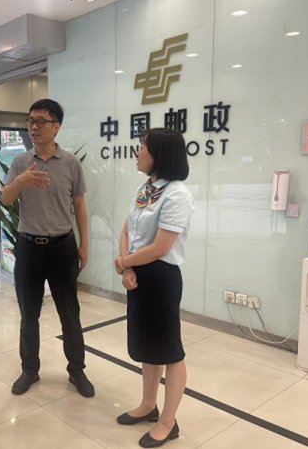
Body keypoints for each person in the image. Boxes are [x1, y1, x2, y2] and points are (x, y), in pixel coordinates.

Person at [1, 98, 94, 398]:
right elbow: (5, 198)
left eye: (41, 121)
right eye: (30, 121)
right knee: (28, 315)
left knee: (70, 313)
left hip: (62, 247)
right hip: (28, 248)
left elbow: (79, 204)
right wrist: (21, 181)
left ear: (56, 127)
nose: (34, 126)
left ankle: (76, 370)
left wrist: (84, 244)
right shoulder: (20, 162)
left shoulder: (70, 163)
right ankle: (30, 369)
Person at [114, 128, 194, 448]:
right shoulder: (146, 187)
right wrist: (127, 265)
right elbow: (127, 228)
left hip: (161, 278)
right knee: (148, 347)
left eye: (142, 147)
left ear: (159, 154)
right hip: (138, 273)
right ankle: (148, 406)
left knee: (170, 351)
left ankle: (168, 422)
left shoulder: (177, 194)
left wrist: (124, 262)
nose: (137, 152)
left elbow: (161, 247)